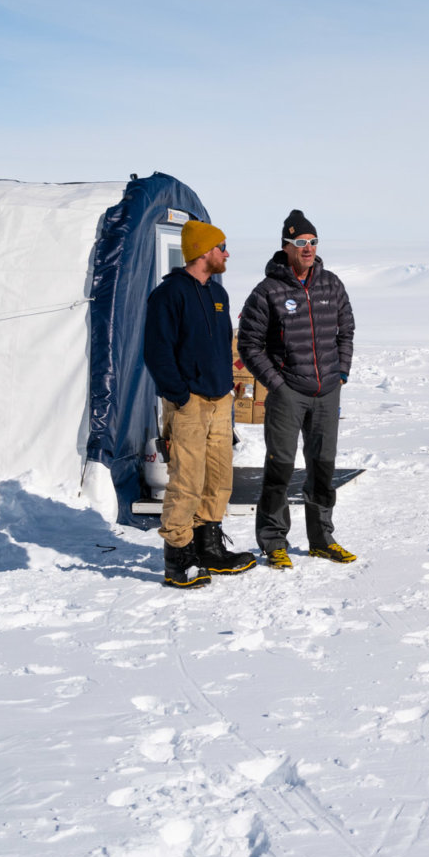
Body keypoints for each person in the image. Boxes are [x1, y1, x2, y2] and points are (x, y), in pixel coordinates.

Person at [238, 209, 357, 567]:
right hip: (288, 393)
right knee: (281, 469)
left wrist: (342, 373)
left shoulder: (331, 284)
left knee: (322, 468)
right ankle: (274, 542)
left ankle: (322, 538)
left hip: (326, 393)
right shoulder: (267, 292)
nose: (308, 248)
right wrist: (277, 384)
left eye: (313, 242)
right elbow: (249, 345)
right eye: (300, 243)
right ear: (286, 247)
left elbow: (346, 331)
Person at [143, 219, 257, 588]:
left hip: (219, 400)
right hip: (188, 402)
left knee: (220, 478)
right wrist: (178, 394)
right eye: (221, 247)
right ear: (204, 251)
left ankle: (210, 548)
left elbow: (223, 346)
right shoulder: (169, 294)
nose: (226, 254)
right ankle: (179, 557)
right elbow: (157, 352)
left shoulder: (217, 294)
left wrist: (226, 388)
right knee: (186, 480)